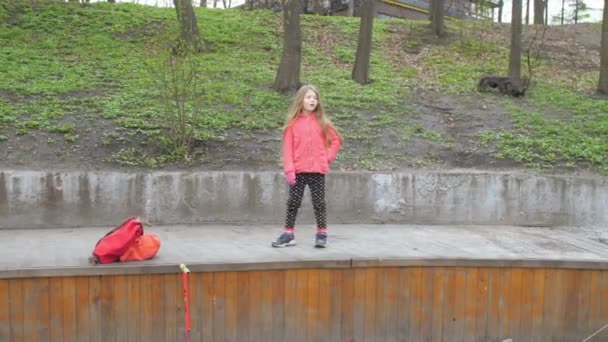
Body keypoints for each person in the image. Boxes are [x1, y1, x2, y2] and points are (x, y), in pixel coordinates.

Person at [271, 85, 342, 248]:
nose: (312, 100)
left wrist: (327, 158)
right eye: (309, 97)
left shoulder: (323, 123)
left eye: (315, 98)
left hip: (317, 171)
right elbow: (287, 149)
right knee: (293, 202)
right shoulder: (292, 125)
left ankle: (322, 233)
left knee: (319, 203)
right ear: (301, 100)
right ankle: (288, 234)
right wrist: (289, 169)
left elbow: (336, 141)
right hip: (299, 171)